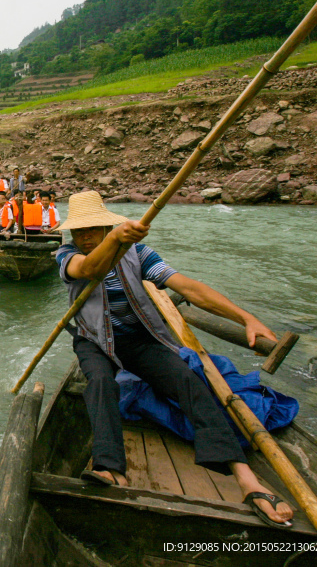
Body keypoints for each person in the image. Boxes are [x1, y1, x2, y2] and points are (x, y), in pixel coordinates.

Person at [54, 191, 293, 528]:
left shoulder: (136, 253)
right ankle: (110, 468)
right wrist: (115, 241)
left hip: (138, 339)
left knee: (187, 379)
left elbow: (189, 288)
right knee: (100, 382)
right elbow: (91, 269)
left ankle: (245, 476)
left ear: (108, 225)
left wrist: (246, 318)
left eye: (93, 229)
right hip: (93, 339)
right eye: (79, 231)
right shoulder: (67, 255)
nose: (85, 237)